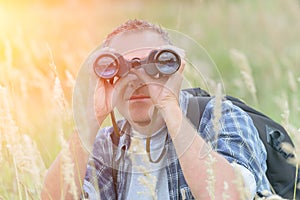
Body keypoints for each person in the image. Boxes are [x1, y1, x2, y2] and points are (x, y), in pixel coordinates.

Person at [41, 19, 272, 200]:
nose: (136, 80)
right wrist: (93, 118)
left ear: (172, 67)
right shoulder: (105, 145)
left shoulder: (221, 117)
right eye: (121, 67)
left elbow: (228, 196)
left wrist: (168, 105)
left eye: (151, 65)